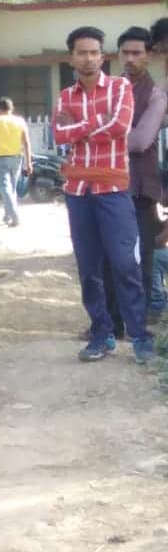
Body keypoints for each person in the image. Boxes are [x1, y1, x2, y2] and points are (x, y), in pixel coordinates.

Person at [53, 26, 155, 363]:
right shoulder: (65, 96)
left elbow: (121, 127)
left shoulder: (120, 87)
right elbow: (59, 133)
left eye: (94, 52)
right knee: (88, 268)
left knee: (125, 263)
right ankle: (102, 333)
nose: (88, 58)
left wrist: (79, 126)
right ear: (72, 57)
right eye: (81, 52)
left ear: (102, 56)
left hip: (113, 190)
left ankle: (139, 334)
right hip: (78, 192)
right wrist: (94, 123)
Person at [103, 26, 165, 339]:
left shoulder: (156, 95)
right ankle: (109, 324)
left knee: (138, 260)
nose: (130, 58)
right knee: (107, 257)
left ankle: (137, 326)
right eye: (125, 52)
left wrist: (97, 137)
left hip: (141, 187)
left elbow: (140, 141)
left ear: (149, 55)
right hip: (106, 186)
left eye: (137, 52)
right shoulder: (108, 90)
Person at [0, 97, 32, 227]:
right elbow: (26, 142)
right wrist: (29, 162)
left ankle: (15, 216)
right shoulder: (20, 121)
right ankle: (7, 215)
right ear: (12, 108)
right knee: (12, 188)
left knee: (5, 187)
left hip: (2, 158)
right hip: (17, 157)